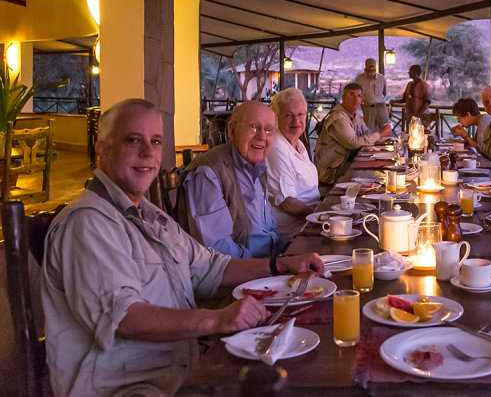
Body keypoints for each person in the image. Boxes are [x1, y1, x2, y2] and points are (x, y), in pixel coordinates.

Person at [42, 98, 324, 396]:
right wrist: (218, 318)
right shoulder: (88, 223)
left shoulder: (149, 215)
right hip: (132, 385)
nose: (148, 151)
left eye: (155, 141)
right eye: (132, 140)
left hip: (183, 364)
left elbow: (211, 266)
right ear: (103, 150)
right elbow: (123, 317)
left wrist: (280, 265)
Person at [181, 100, 279, 258]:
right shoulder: (208, 172)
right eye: (253, 127)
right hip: (243, 274)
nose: (261, 136)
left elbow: (269, 227)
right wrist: (268, 266)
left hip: (268, 261)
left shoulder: (257, 166)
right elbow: (218, 249)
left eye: (268, 130)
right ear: (232, 131)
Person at [266, 88, 320, 240]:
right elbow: (287, 202)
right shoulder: (277, 148)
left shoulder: (298, 145)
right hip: (295, 232)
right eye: (288, 115)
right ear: (276, 118)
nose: (296, 121)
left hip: (309, 221)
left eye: (300, 114)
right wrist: (322, 219)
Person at [314, 82, 393, 185]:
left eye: (359, 96)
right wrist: (380, 134)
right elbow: (353, 143)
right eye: (351, 94)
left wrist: (381, 135)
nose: (356, 99)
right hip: (332, 171)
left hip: (345, 162)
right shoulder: (339, 117)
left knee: (379, 170)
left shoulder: (355, 115)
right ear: (343, 97)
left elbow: (366, 132)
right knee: (373, 175)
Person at [355, 58, 390, 132]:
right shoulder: (360, 79)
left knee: (385, 130)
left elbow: (385, 93)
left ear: (375, 67)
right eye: (369, 67)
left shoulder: (382, 78)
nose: (371, 69)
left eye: (373, 67)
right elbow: (358, 94)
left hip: (381, 108)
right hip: (368, 108)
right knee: (368, 132)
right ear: (365, 67)